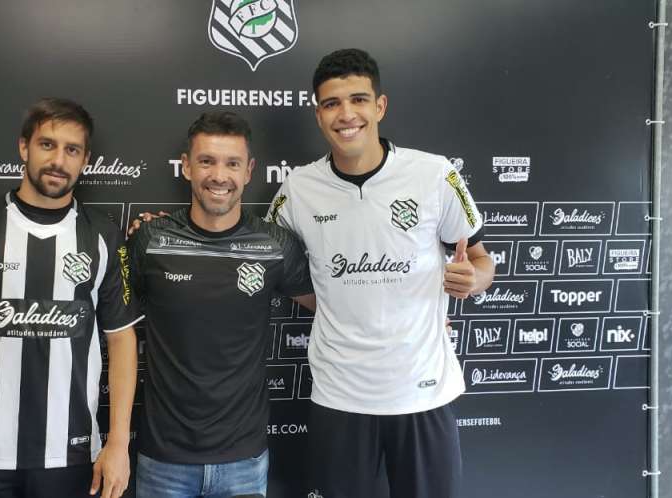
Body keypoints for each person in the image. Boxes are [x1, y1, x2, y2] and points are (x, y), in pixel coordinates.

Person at [267, 48, 494, 498]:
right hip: (339, 396)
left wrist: (475, 279)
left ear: (380, 106)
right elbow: (271, 263)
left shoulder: (434, 175)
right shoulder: (298, 188)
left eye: (358, 100)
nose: (346, 114)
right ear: (318, 115)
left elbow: (482, 260)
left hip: (423, 392)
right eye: (332, 103)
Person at [0, 98, 142, 498]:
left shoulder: (102, 236)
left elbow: (121, 339)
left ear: (85, 160)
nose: (59, 160)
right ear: (24, 148)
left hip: (71, 457)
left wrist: (118, 443)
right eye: (47, 145)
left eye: (72, 150)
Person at [126, 112, 314, 498]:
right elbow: (114, 321)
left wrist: (415, 319)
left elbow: (335, 308)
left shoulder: (275, 244)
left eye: (232, 163)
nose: (219, 175)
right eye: (206, 161)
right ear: (186, 166)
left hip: (243, 460)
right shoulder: (150, 239)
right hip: (163, 459)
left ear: (249, 171)